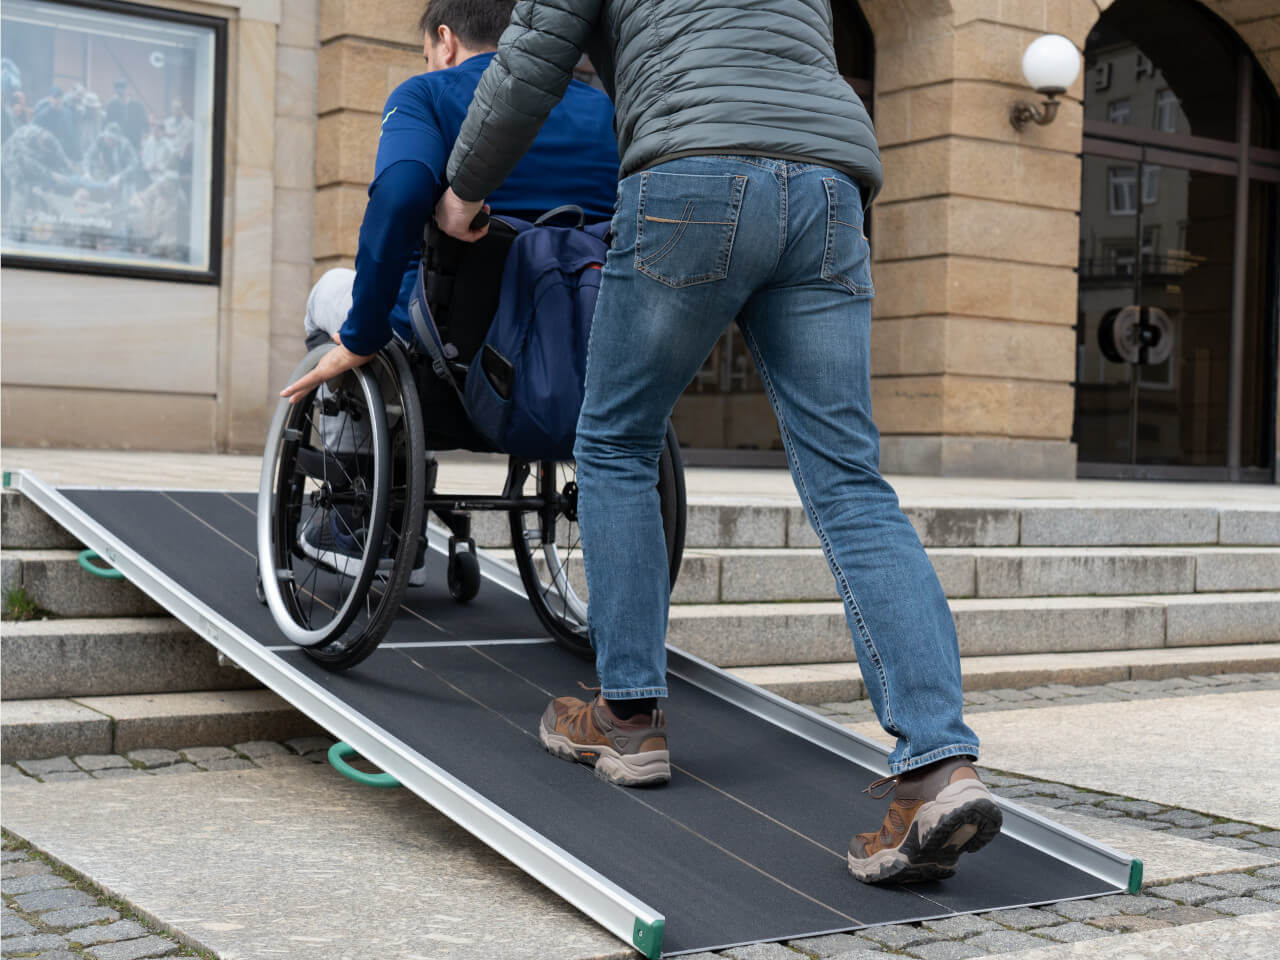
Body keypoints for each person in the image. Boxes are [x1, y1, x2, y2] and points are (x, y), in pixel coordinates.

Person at [431, 0, 1004, 886]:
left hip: (692, 177)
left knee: (617, 442)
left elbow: (532, 58)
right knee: (851, 484)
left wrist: (465, 188)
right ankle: (939, 766)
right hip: (826, 189)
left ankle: (628, 719)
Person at [279, 0, 618, 581]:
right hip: (578, 354)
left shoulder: (428, 95)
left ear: (446, 41)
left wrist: (360, 335)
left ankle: (357, 515)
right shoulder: (604, 111)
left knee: (330, 292)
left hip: (446, 363)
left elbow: (402, 195)